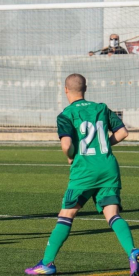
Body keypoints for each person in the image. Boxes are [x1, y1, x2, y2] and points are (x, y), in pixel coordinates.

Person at [25, 73, 139, 275]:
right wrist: (104, 147)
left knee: (66, 215)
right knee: (112, 214)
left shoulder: (66, 114)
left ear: (65, 90)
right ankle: (132, 252)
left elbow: (67, 145)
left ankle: (47, 263)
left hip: (84, 171)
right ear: (85, 89)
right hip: (108, 168)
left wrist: (72, 155)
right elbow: (123, 133)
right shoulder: (101, 108)